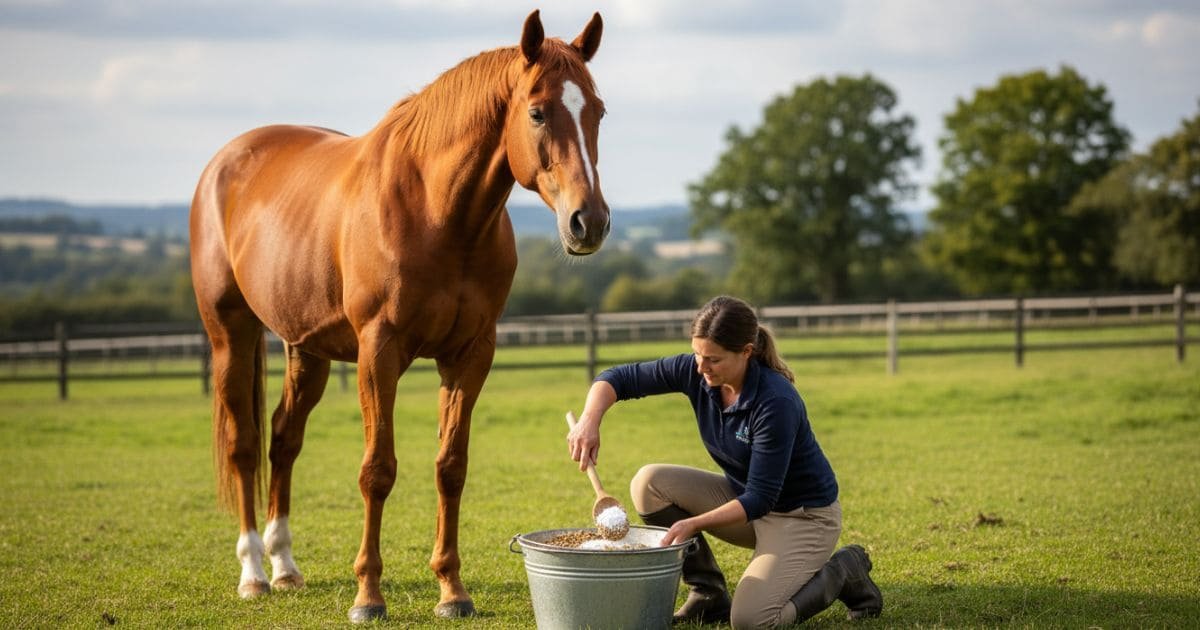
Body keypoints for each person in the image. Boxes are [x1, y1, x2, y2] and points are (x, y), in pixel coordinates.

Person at [567, 295, 882, 628]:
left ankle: (843, 571)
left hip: (803, 519)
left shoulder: (775, 402)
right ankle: (708, 595)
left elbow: (761, 498)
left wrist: (694, 524)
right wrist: (590, 419)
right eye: (697, 354)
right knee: (649, 483)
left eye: (713, 359)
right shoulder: (699, 371)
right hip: (746, 503)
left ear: (746, 352)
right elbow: (618, 377)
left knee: (752, 621)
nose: (701, 368)